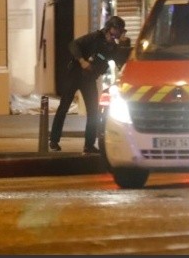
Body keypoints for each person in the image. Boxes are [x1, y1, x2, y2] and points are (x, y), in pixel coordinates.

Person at [49, 15, 131, 154]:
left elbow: (120, 63)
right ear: (111, 28)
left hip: (89, 79)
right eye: (119, 29)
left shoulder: (113, 47)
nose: (121, 33)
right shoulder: (95, 37)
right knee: (64, 107)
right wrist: (82, 61)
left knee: (93, 111)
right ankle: (54, 141)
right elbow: (73, 45)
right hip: (75, 75)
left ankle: (89, 145)